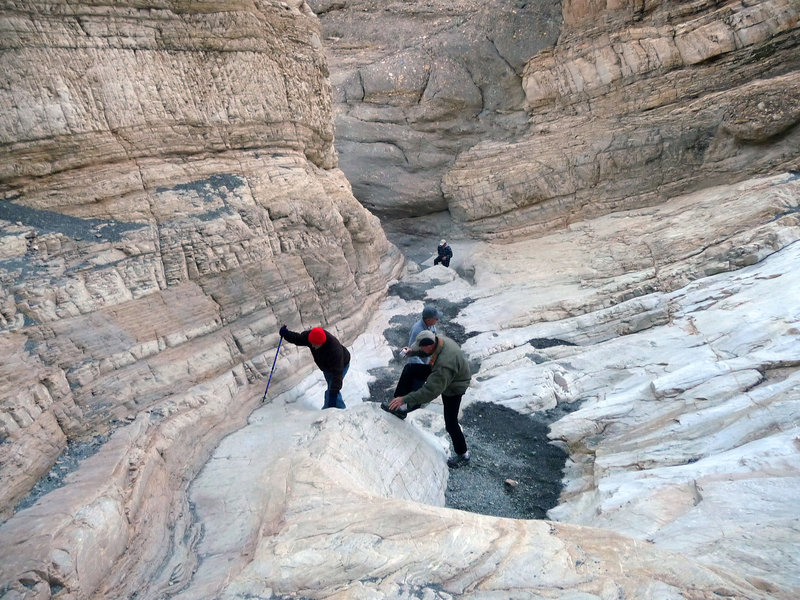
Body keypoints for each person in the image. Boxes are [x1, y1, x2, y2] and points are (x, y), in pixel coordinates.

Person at [382, 330, 472, 468]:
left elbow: (430, 392)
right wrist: (412, 352)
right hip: (442, 371)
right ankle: (399, 409)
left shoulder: (444, 364)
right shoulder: (438, 341)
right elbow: (424, 350)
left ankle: (463, 454)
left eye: (421, 346)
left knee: (451, 423)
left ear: (430, 345)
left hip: (454, 386)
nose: (420, 348)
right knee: (410, 369)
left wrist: (406, 398)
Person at [279, 325, 349, 409]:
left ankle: (335, 410)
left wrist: (333, 397)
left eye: (315, 344)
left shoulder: (334, 349)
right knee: (331, 389)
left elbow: (337, 375)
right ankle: (330, 408)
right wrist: (286, 334)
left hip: (341, 365)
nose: (312, 346)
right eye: (311, 343)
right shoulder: (312, 337)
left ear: (322, 343)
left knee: (332, 391)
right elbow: (298, 339)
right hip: (326, 367)